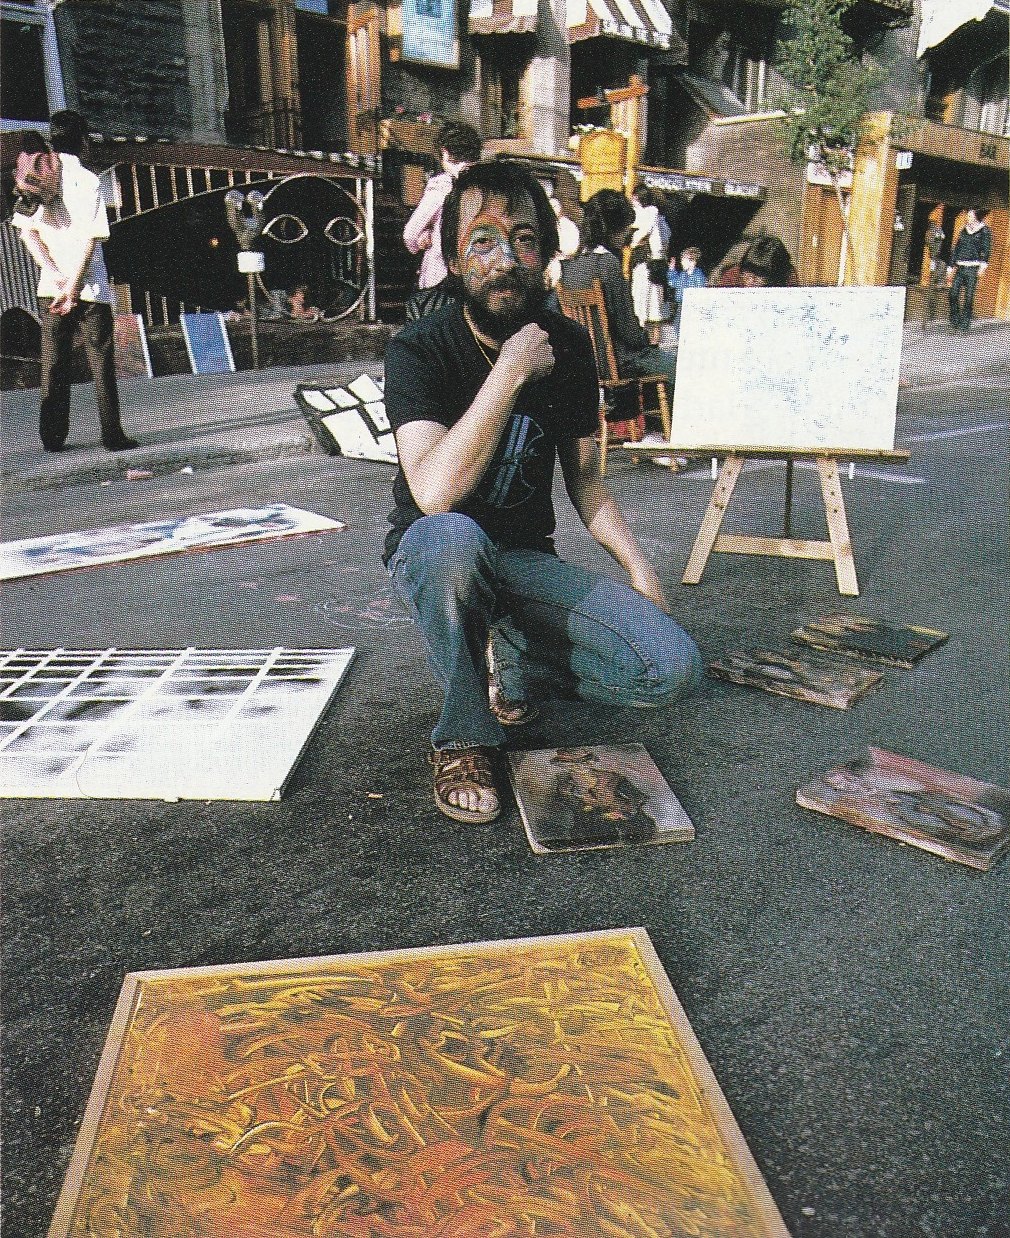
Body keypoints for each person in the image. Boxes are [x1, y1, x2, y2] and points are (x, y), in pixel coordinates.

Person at [383, 161, 702, 825]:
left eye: (524, 240)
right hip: (438, 553)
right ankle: (465, 736)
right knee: (450, 537)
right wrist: (509, 371)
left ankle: (516, 658)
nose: (505, 261)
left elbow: (587, 482)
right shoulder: (419, 349)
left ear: (547, 256)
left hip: (522, 562)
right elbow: (434, 493)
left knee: (671, 668)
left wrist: (641, 572)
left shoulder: (571, 347)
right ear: (452, 260)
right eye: (482, 242)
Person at [12, 111, 137, 453]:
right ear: (83, 140)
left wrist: (55, 275)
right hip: (91, 288)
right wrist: (74, 286)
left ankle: (52, 438)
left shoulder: (38, 172)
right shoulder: (87, 180)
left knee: (53, 362)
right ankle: (112, 435)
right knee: (101, 361)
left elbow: (27, 234)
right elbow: (91, 240)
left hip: (50, 289)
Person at [558, 189, 679, 392]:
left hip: (589, 364)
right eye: (625, 228)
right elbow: (628, 329)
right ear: (613, 229)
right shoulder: (607, 263)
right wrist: (646, 339)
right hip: (620, 362)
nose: (627, 234)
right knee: (682, 367)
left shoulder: (571, 267)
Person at [402, 120, 483, 290]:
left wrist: (421, 241)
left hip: (442, 277)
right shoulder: (487, 184)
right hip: (479, 275)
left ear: (445, 151)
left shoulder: (442, 187)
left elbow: (410, 233)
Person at [629, 185, 670, 343]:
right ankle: (652, 341)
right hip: (653, 262)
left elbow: (642, 233)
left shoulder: (650, 212)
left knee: (645, 303)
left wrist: (633, 241)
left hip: (647, 263)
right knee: (652, 304)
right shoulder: (659, 219)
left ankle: (648, 341)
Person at [947, 207, 991, 332]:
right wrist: (950, 267)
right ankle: (955, 319)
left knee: (969, 297)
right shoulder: (964, 230)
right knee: (953, 293)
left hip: (972, 268)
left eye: (970, 216)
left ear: (976, 217)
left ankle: (965, 323)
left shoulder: (984, 231)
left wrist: (982, 267)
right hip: (960, 267)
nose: (968, 218)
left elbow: (986, 249)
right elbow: (956, 249)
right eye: (968, 216)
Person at [714, 234, 799, 288]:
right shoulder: (732, 277)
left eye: (758, 276)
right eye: (748, 275)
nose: (750, 281)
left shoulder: (788, 278)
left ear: (774, 276)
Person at [666, 246, 707, 332]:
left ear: (692, 262)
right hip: (681, 304)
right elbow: (672, 283)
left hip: (693, 305)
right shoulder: (682, 275)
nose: (681, 263)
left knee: (692, 326)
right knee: (678, 326)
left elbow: (701, 290)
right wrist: (671, 271)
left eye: (684, 260)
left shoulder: (698, 275)